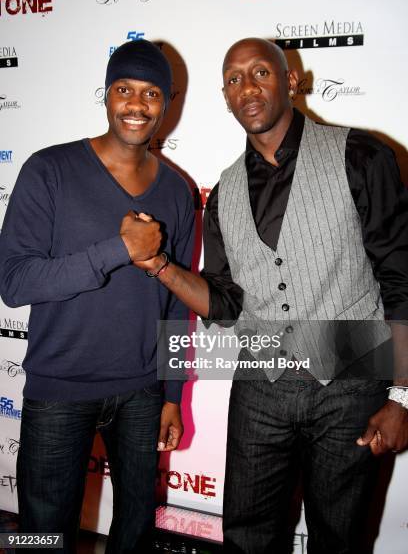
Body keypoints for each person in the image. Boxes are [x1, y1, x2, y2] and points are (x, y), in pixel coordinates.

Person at [134, 38, 408, 553]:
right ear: (225, 96)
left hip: (352, 378)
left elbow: (401, 278)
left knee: (341, 537)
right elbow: (225, 301)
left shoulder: (361, 155)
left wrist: (402, 395)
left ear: (291, 81)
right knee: (247, 535)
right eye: (234, 79)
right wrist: (161, 267)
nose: (247, 87)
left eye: (260, 72)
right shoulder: (224, 192)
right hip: (261, 382)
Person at [0, 39, 195, 553]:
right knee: (42, 533)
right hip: (58, 389)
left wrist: (172, 394)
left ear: (167, 103)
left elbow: (178, 304)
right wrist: (118, 249)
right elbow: (14, 282)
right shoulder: (50, 170)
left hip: (141, 394)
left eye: (151, 93)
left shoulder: (178, 191)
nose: (136, 105)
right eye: (123, 89)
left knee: (135, 527)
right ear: (106, 95)